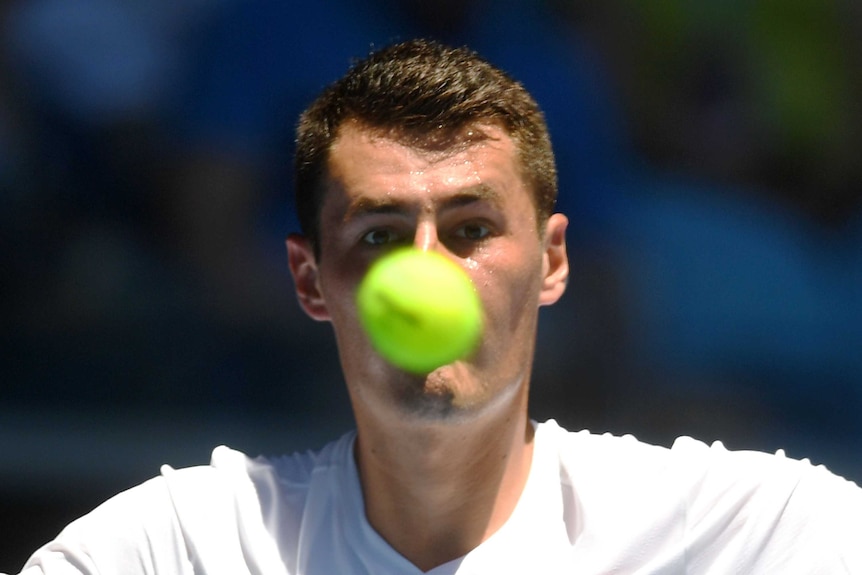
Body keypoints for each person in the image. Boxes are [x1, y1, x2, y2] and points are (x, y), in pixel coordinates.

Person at [10, 39, 862, 575]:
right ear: (310, 281)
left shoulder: (754, 534)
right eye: (380, 234)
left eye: (471, 226)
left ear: (552, 262)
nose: (430, 269)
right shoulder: (176, 551)